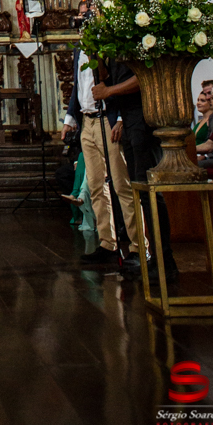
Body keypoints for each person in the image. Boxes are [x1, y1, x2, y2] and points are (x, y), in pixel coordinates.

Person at [92, 64, 179, 283]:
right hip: (129, 119)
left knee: (151, 192)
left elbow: (144, 77)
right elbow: (107, 76)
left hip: (144, 117)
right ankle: (154, 258)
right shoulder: (114, 49)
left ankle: (165, 261)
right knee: (139, 190)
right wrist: (97, 56)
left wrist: (109, 91)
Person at [62, 50, 140, 269]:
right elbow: (78, 85)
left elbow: (118, 79)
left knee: (122, 185)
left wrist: (122, 119)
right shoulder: (79, 48)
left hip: (108, 119)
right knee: (96, 186)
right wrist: (70, 118)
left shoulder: (108, 45)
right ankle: (107, 243)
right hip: (87, 121)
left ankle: (138, 247)